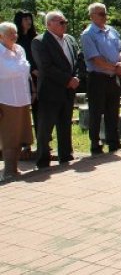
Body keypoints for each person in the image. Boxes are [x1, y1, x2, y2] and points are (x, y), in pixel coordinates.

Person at [31, 11, 80, 168]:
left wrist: (77, 77)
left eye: (65, 22)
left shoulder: (70, 40)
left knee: (65, 125)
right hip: (50, 91)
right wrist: (67, 80)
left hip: (68, 91)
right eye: (61, 22)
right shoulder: (39, 42)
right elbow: (46, 67)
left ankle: (66, 156)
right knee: (46, 128)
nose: (65, 24)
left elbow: (78, 59)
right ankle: (43, 160)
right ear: (49, 24)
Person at [81, 2, 121, 154]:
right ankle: (95, 142)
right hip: (97, 78)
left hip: (113, 77)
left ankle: (113, 140)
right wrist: (116, 68)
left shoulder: (111, 31)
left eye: (105, 13)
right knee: (96, 111)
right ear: (92, 16)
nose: (104, 16)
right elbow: (95, 59)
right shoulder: (88, 34)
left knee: (113, 111)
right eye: (101, 14)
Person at [0, 22, 35, 181]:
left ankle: (14, 169)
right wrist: (19, 67)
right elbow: (9, 71)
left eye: (15, 33)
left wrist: (19, 68)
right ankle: (8, 170)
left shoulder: (19, 49)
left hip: (22, 98)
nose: (15, 36)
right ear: (1, 36)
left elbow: (25, 68)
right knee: (9, 136)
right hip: (6, 100)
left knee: (21, 134)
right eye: (10, 33)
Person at [13, 11, 38, 139]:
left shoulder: (35, 37)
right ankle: (24, 142)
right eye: (25, 19)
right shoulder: (15, 41)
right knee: (23, 110)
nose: (28, 21)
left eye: (29, 18)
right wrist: (32, 69)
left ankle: (42, 139)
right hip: (23, 78)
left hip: (38, 78)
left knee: (39, 109)